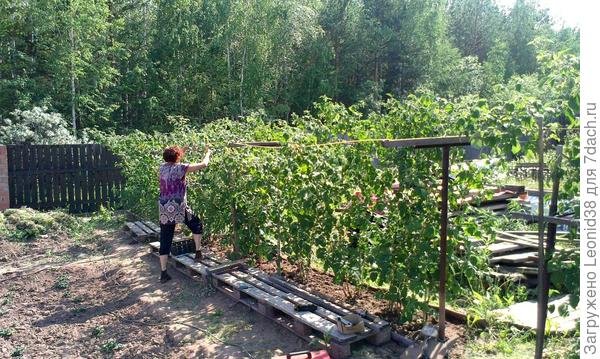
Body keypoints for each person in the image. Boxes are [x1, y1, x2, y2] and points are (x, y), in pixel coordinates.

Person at [158, 145, 212, 283]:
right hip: (179, 207)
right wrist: (208, 152)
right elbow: (204, 164)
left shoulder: (162, 168)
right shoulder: (181, 168)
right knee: (197, 225)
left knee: (165, 238)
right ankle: (198, 252)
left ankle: (163, 273)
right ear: (177, 157)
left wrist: (183, 150)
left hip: (164, 208)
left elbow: (173, 160)